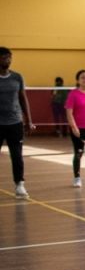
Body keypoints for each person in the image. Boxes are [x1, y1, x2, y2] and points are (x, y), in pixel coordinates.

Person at [0, 46, 34, 199]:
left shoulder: (17, 77)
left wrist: (29, 120)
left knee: (17, 155)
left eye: (9, 57)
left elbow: (23, 98)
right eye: (4, 57)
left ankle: (19, 184)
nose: (8, 60)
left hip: (15, 122)